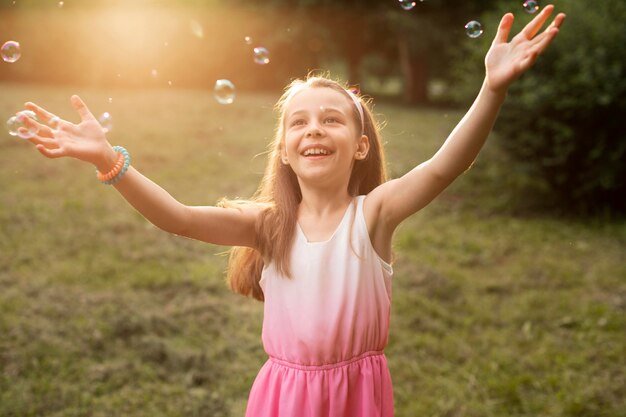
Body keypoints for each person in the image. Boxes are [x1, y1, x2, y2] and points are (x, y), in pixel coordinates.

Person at [17, 5, 565, 417]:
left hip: (356, 396)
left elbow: (444, 166)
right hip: (283, 395)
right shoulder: (268, 224)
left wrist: (491, 88)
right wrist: (110, 160)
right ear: (284, 149)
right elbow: (177, 217)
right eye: (298, 122)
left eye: (332, 119)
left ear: (360, 146)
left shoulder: (373, 215)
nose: (314, 130)